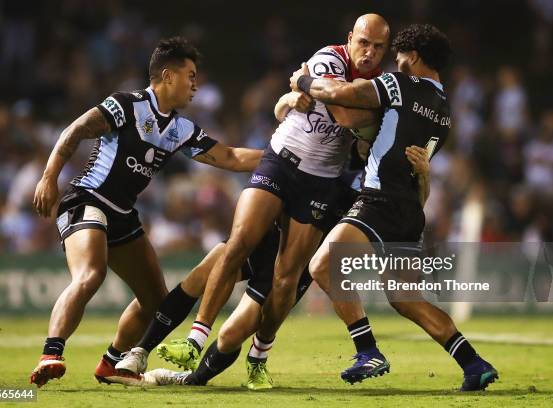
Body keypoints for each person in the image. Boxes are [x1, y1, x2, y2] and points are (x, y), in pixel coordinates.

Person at [150, 14, 390, 385]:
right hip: (281, 162)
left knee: (285, 280)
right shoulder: (330, 57)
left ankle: (259, 356)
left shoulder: (379, 87)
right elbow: (337, 113)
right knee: (238, 243)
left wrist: (304, 91)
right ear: (350, 38)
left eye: (378, 47)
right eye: (364, 43)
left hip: (320, 184)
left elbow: (343, 118)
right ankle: (194, 339)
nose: (369, 53)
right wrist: (299, 97)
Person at [29, 37, 263, 387]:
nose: (195, 84)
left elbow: (229, 158)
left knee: (157, 301)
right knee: (91, 274)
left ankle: (111, 362)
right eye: (190, 76)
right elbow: (75, 130)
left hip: (122, 212)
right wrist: (49, 176)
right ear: (168, 76)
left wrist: (283, 159)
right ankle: (51, 353)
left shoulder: (181, 129)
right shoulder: (127, 105)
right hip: (88, 199)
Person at [291, 24, 498, 391]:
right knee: (407, 299)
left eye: (399, 56)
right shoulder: (445, 115)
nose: (394, 62)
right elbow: (421, 179)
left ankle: (367, 349)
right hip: (411, 211)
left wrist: (304, 81)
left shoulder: (400, 84)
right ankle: (473, 363)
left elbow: (339, 92)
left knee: (322, 266)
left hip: (378, 201)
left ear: (413, 57)